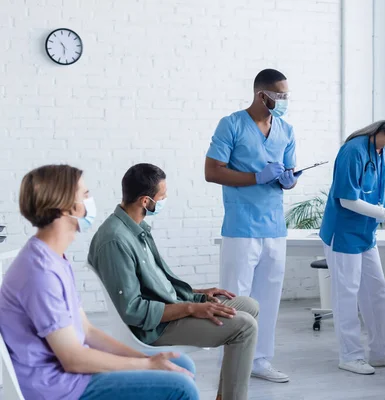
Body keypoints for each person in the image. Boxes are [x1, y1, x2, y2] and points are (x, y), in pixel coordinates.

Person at [0, 165, 199, 400]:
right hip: (57, 388)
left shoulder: (55, 258)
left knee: (180, 363)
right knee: (180, 387)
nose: (90, 201)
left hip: (70, 374)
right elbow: (73, 359)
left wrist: (146, 359)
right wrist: (147, 366)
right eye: (85, 195)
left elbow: (87, 331)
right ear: (67, 207)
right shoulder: (40, 273)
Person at [88, 163, 258, 400]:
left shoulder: (136, 229)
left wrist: (198, 295)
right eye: (163, 196)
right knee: (245, 326)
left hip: (168, 310)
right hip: (153, 328)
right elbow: (132, 310)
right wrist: (190, 307)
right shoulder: (115, 240)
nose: (166, 199)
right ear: (146, 201)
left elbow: (157, 285)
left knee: (249, 306)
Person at [204, 69, 299, 383]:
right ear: (263, 95)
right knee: (235, 299)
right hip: (241, 227)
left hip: (274, 228)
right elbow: (213, 171)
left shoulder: (285, 129)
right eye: (280, 95)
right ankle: (229, 361)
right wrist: (255, 177)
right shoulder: (231, 125)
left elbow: (287, 172)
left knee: (268, 300)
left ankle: (260, 360)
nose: (284, 101)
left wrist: (288, 180)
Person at [318, 116, 385, 375]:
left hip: (366, 233)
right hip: (344, 233)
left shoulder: (383, 153)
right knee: (347, 294)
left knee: (377, 291)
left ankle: (381, 352)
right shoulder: (353, 151)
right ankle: (349, 355)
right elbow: (348, 200)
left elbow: (381, 193)